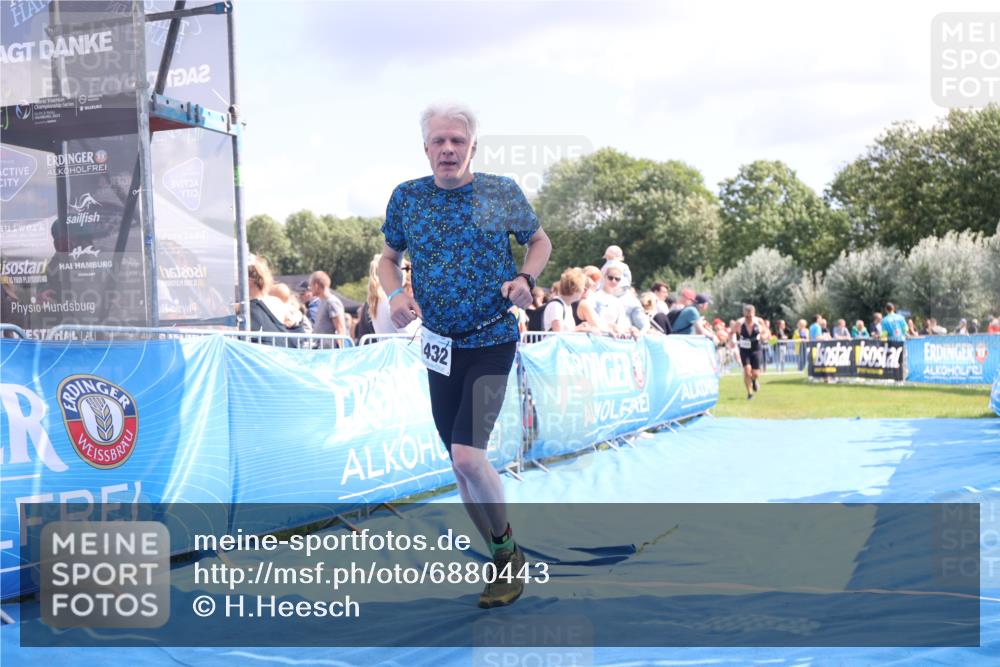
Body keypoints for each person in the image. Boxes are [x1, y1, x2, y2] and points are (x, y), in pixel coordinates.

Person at [378, 103, 552, 609]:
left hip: (492, 338)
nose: (448, 149)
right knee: (459, 468)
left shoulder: (498, 192)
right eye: (439, 141)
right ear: (426, 148)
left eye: (457, 140)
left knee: (469, 456)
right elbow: (388, 260)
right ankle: (502, 553)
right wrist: (395, 295)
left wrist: (526, 279)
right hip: (439, 345)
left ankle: (505, 553)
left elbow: (538, 241)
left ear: (473, 146)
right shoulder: (407, 198)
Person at [734, 304, 765, 399]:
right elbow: (732, 332)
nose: (748, 318)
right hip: (744, 350)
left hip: (756, 349)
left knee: (755, 373)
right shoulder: (739, 322)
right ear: (744, 314)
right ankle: (750, 393)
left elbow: (766, 331)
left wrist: (765, 336)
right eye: (746, 316)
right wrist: (731, 340)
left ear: (754, 314)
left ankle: (754, 380)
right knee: (747, 371)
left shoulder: (759, 321)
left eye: (750, 316)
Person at [309, 270, 347, 342]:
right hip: (322, 350)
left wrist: (341, 352)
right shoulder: (322, 302)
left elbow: (340, 329)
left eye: (310, 285)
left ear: (316, 285)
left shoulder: (332, 302)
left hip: (330, 351)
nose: (310, 288)